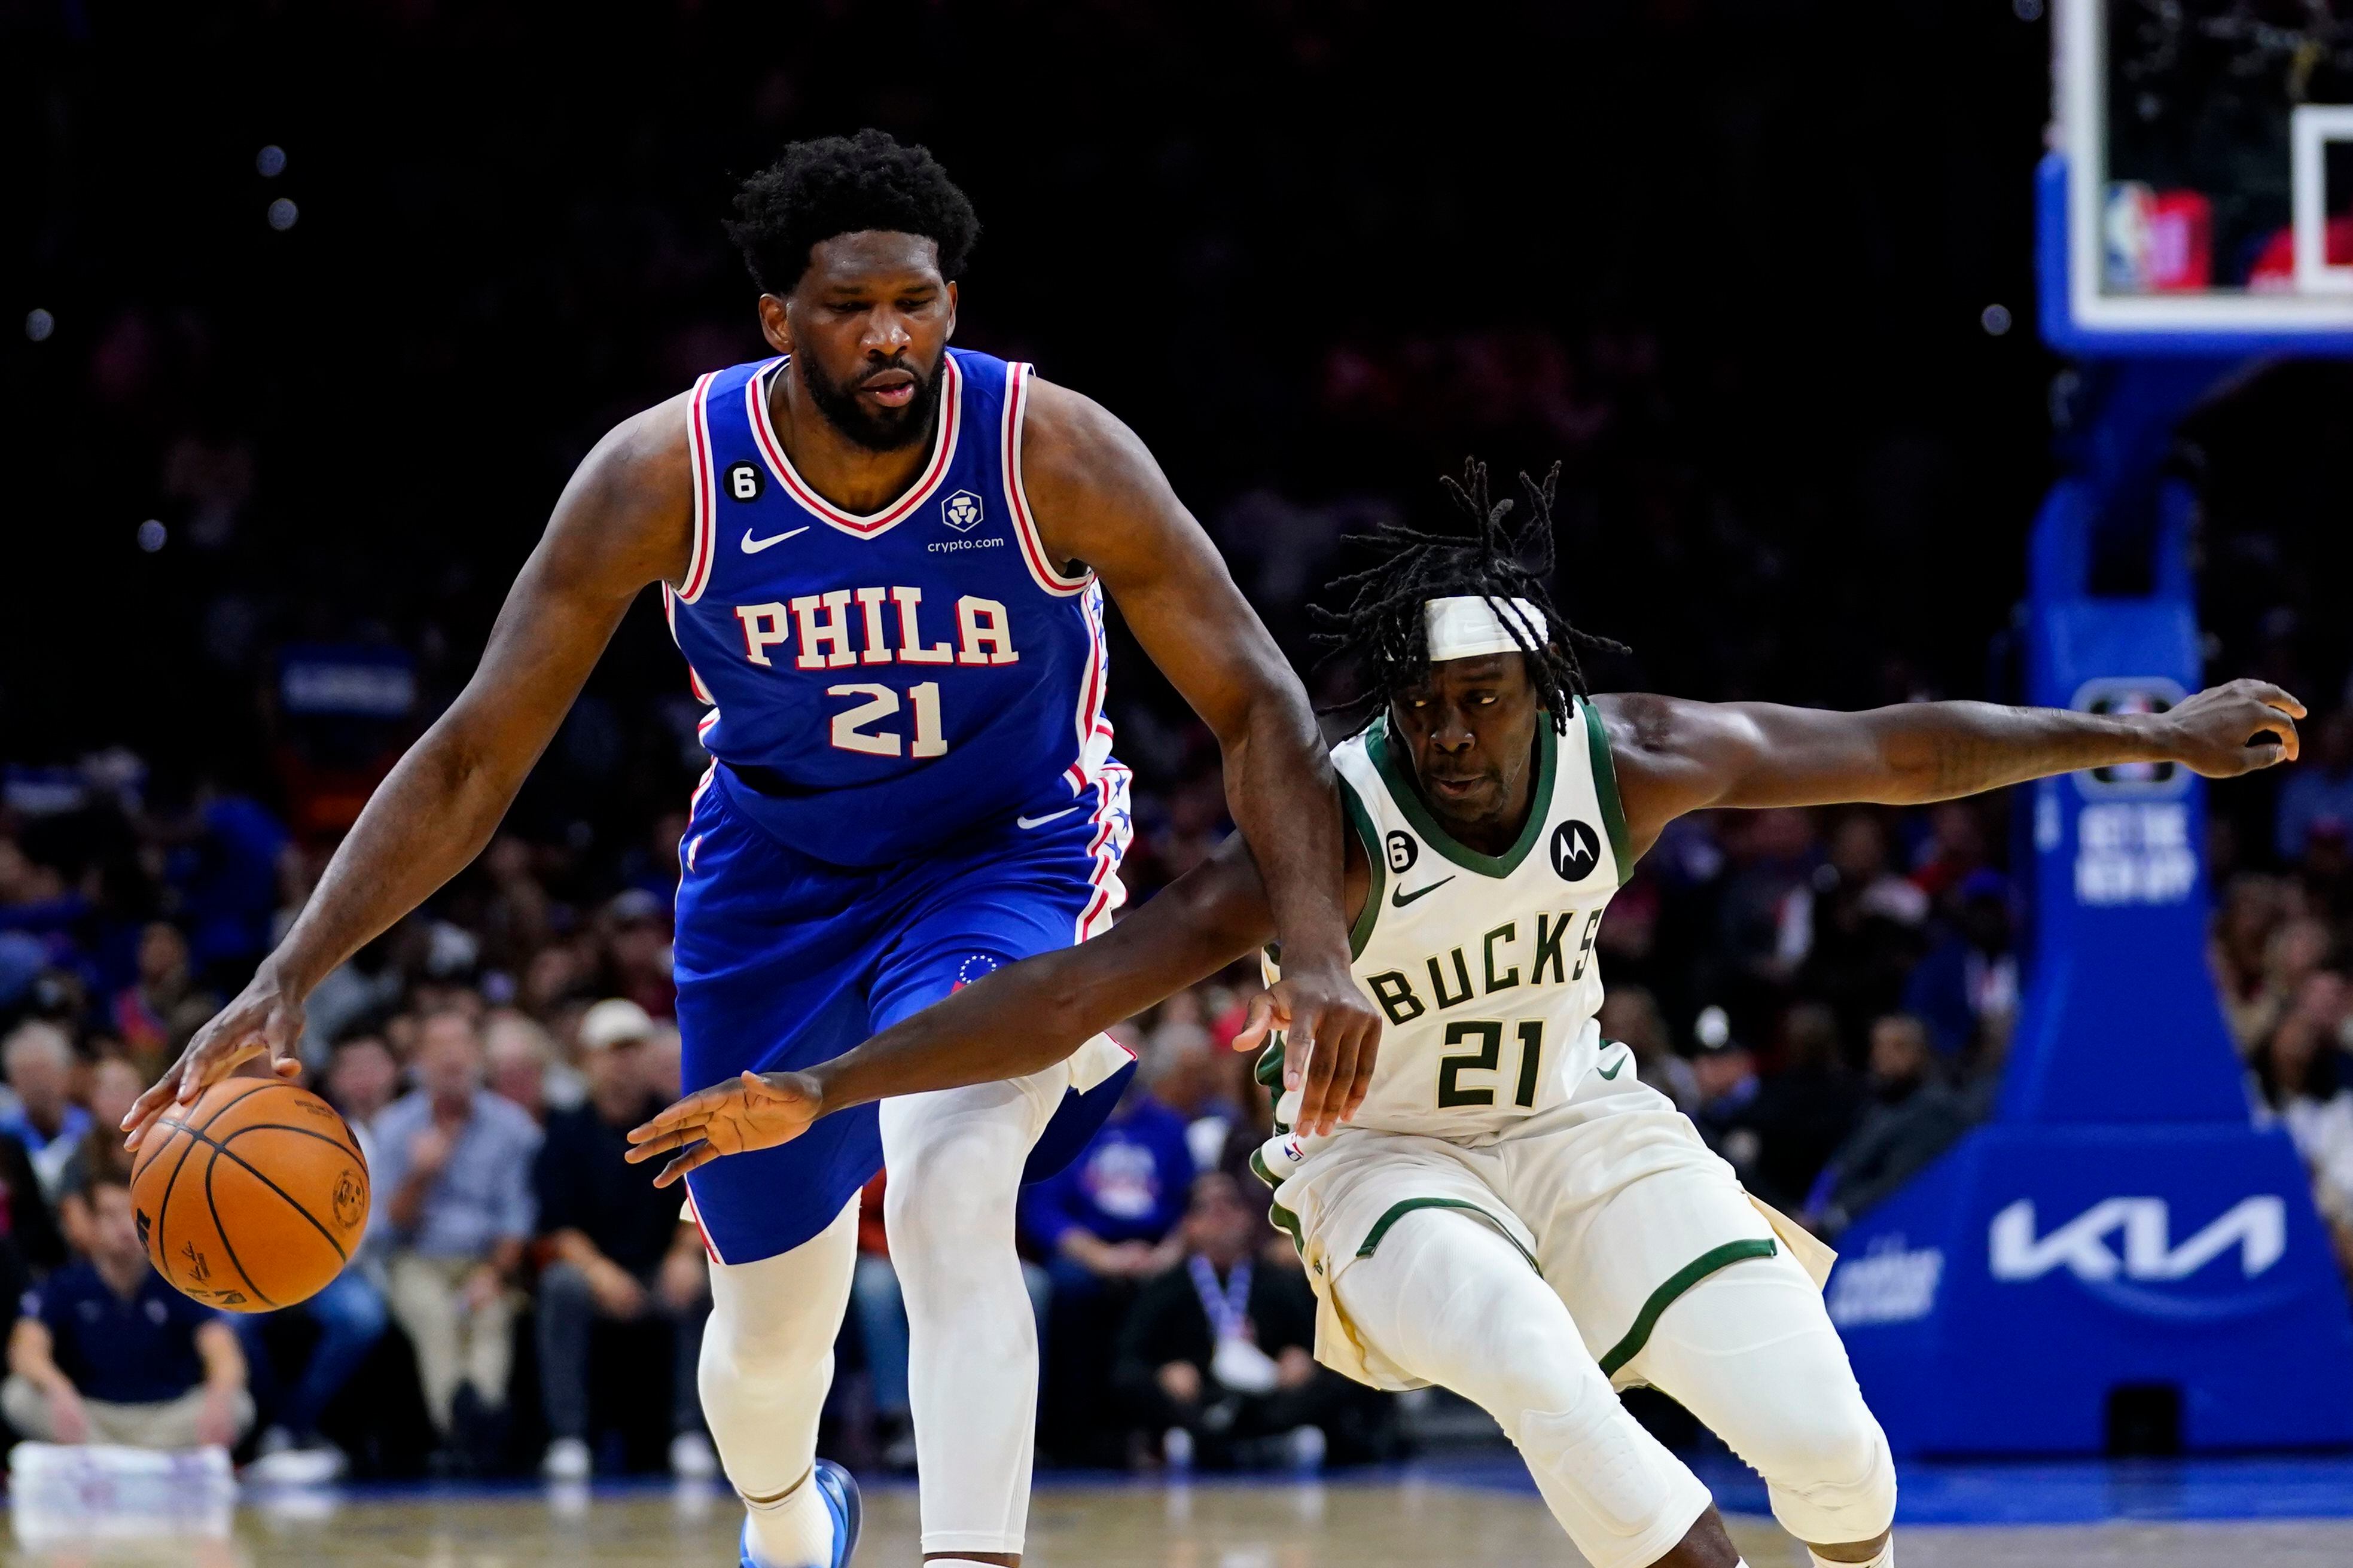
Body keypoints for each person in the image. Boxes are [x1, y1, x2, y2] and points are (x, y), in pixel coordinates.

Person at [630, 460, 2307, 1568]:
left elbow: (1901, 748)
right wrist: (825, 1083)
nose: (1445, 733)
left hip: (1583, 1124)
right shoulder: (1326, 829)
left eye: (1479, 701)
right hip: (1382, 1164)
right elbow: (1066, 988)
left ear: (1542, 692)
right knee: (1521, 1353)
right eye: (1420, 704)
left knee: (1834, 1453)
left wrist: (2145, 737)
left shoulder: (1632, 756)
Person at [128, 129, 1376, 1568]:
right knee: (770, 1334)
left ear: (952, 303)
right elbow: (476, 754)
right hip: (774, 890)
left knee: (950, 1179)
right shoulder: (662, 475)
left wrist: (1314, 945)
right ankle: (789, 1520)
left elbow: (1258, 700)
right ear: (777, 318)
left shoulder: (1051, 450)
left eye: (915, 301)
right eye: (849, 308)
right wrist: (289, 975)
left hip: (1003, 856)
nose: (890, 336)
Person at [533, 997, 715, 1482]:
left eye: (634, 1051)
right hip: (596, 1272)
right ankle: (568, 1438)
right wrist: (598, 1272)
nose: (624, 1064)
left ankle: (691, 1431)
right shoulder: (566, 1132)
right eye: (613, 1052)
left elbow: (703, 1196)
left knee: (704, 1283)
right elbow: (558, 1225)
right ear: (588, 1061)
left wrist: (684, 1253)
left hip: (660, 1266)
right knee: (561, 1287)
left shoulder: (678, 1122)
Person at [369, 1009, 541, 1463]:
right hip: (417, 1261)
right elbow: (387, 1226)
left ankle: (477, 1419)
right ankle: (463, 1430)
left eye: (461, 1044)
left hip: (485, 1260)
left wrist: (494, 1274)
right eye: (439, 1047)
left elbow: (517, 1219)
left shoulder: (512, 1127)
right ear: (419, 1061)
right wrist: (421, 1175)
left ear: (478, 1055)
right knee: (436, 1316)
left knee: (491, 1316)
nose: (452, 1058)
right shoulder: (394, 1127)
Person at [1113, 1172, 1348, 1471]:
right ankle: (1215, 1441)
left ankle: (1264, 1439)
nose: (1220, 1214)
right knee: (1137, 1388)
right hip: (1201, 1395)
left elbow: (1319, 1343)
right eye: (1206, 1207)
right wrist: (1164, 1374)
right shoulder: (1166, 1288)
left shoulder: (1279, 1282)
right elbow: (1130, 1360)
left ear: (1249, 1218)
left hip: (1268, 1392)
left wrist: (1301, 1361)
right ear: (1188, 1224)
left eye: (1230, 1204)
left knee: (1340, 1376)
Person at [3, 1174, 253, 1450]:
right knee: (18, 1395)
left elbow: (223, 1350)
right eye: (111, 1215)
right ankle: (132, 1459)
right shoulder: (65, 1284)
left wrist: (220, 1395)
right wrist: (58, 1388)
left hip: (167, 1414)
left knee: (238, 1404)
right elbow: (26, 1350)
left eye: (134, 1215)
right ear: (92, 1223)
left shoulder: (180, 1282)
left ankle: (120, 1459)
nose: (124, 1227)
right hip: (93, 1413)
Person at [0, 1021, 90, 1198]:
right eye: (26, 1073)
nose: (37, 1082)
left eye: (43, 1070)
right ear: (12, 1081)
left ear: (66, 1074)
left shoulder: (91, 1131)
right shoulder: (5, 1135)